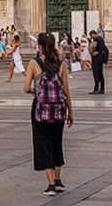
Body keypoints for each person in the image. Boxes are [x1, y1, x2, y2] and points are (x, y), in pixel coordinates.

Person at [25, 31, 72, 197]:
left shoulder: (33, 63)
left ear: (39, 46)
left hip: (40, 109)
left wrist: (36, 91)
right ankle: (58, 181)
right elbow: (66, 92)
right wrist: (70, 113)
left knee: (44, 144)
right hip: (59, 110)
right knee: (56, 143)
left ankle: (51, 184)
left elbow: (25, 88)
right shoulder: (62, 64)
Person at [88, 29, 109, 95]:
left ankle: (96, 89)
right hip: (101, 58)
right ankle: (102, 89)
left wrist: (91, 50)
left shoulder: (96, 39)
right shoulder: (101, 39)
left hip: (96, 58)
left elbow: (93, 46)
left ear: (93, 34)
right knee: (101, 74)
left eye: (91, 36)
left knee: (96, 73)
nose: (91, 37)